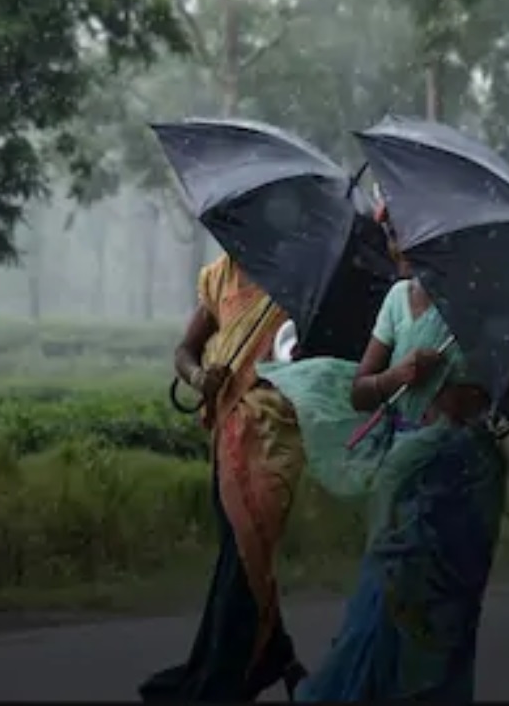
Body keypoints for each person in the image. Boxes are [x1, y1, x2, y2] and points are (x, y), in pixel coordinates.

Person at [258, 206, 508, 701]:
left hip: (457, 479)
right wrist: (399, 376)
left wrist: (461, 395)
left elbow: (490, 393)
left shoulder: (472, 310)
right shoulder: (397, 299)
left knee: (441, 611)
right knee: (384, 594)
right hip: (403, 473)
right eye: (393, 236)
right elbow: (361, 392)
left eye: (404, 236)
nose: (396, 248)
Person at [139, 253, 308, 702]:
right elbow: (184, 351)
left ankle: (225, 684)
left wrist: (290, 362)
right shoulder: (218, 277)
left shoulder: (297, 279)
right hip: (228, 437)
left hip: (275, 442)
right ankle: (276, 657)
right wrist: (199, 376)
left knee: (247, 559)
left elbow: (310, 360)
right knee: (240, 562)